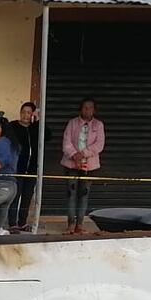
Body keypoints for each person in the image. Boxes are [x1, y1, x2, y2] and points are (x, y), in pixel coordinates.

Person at [61, 98, 106, 234]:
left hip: (89, 166)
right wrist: (75, 155)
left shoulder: (98, 125)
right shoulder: (72, 123)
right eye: (85, 107)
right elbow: (66, 142)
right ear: (81, 109)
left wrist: (84, 154)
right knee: (71, 194)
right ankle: (70, 224)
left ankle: (79, 224)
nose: (87, 110)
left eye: (90, 108)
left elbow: (99, 144)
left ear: (94, 110)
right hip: (71, 165)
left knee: (84, 195)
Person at [4, 101, 48, 230]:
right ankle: (12, 223)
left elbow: (48, 135)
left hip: (32, 169)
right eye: (23, 112)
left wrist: (38, 121)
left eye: (29, 113)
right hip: (17, 168)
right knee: (14, 196)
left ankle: (22, 222)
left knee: (27, 197)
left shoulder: (35, 128)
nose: (25, 115)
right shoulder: (12, 126)